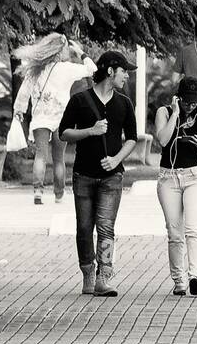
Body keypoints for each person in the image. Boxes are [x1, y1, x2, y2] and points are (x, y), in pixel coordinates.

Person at [59, 51, 139, 297]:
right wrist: (90, 131)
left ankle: (104, 276)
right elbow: (64, 133)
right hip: (83, 174)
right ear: (110, 71)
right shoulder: (80, 100)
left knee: (105, 227)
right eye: (123, 70)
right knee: (84, 228)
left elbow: (132, 139)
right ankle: (88, 273)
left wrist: (116, 159)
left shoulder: (124, 103)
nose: (126, 75)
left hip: (112, 177)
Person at [13, 34, 97, 204]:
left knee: (40, 155)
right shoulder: (67, 68)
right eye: (66, 47)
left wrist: (19, 110)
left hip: (40, 119)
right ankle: (59, 194)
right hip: (62, 119)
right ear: (60, 50)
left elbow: (24, 91)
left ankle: (38, 191)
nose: (67, 50)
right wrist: (81, 53)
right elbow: (92, 69)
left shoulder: (35, 68)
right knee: (59, 158)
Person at [154, 76, 197, 297]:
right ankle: (179, 281)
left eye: (194, 102)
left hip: (194, 176)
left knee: (193, 228)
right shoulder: (165, 112)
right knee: (174, 232)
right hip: (168, 177)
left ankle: (195, 275)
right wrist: (176, 114)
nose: (190, 105)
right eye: (186, 101)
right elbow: (162, 140)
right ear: (178, 98)